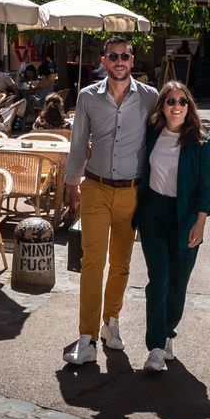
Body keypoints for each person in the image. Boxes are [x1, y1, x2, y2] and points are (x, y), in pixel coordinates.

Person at [61, 36, 156, 366]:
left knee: (121, 264)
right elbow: (77, 143)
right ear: (103, 61)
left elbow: (163, 139)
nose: (119, 61)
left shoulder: (149, 98)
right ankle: (86, 337)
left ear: (132, 61)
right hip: (96, 189)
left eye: (124, 56)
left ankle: (110, 323)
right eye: (113, 56)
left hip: (131, 191)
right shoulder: (88, 97)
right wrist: (71, 183)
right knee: (92, 262)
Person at [134, 81, 210, 372]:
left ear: (189, 107)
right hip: (153, 213)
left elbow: (206, 187)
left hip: (186, 217)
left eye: (182, 101)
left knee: (178, 283)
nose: (176, 106)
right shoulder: (152, 133)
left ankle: (168, 332)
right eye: (170, 101)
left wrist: (200, 222)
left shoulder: (201, 142)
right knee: (159, 279)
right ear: (162, 107)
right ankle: (155, 346)